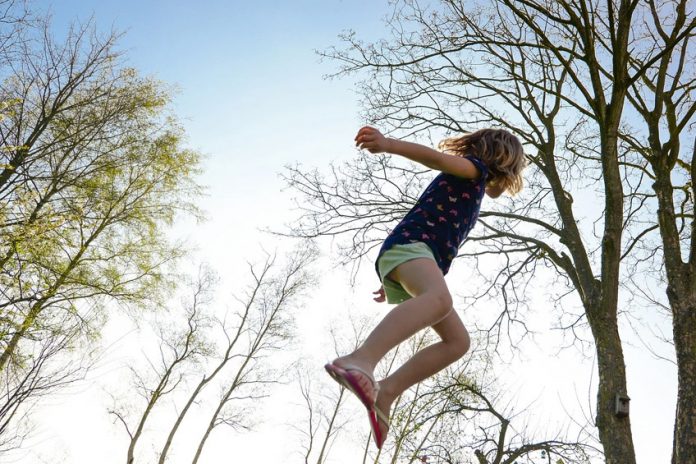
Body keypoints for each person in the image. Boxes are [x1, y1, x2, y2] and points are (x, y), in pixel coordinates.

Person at [324, 125, 527, 449]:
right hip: (412, 248)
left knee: (458, 342)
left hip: (413, 256)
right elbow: (434, 158)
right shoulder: (474, 168)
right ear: (502, 161)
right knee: (439, 299)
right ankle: (360, 359)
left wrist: (395, 279)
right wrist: (388, 144)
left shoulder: (475, 183)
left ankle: (386, 392)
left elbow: (493, 191)